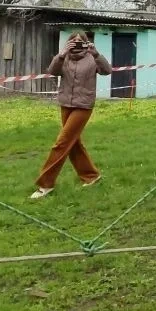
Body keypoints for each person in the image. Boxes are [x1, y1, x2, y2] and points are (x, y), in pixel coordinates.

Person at [30, 32, 112, 199]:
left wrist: (96, 53)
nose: (77, 44)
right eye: (73, 42)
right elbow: (52, 71)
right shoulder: (64, 57)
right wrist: (60, 55)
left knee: (61, 143)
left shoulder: (91, 58)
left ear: (86, 43)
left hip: (83, 106)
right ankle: (91, 176)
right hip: (65, 104)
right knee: (73, 143)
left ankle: (46, 184)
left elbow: (107, 70)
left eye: (80, 42)